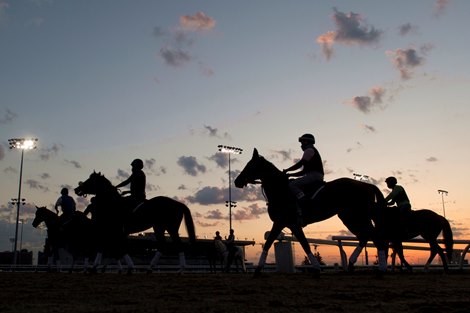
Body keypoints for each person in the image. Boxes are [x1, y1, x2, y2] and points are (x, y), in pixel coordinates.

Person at [283, 133, 324, 222]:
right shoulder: (311, 151)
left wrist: (287, 170)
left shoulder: (309, 150)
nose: (301, 145)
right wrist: (291, 175)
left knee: (292, 185)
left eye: (302, 142)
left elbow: (300, 164)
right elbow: (303, 172)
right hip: (314, 175)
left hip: (314, 175)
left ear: (307, 142)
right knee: (294, 182)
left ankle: (304, 202)